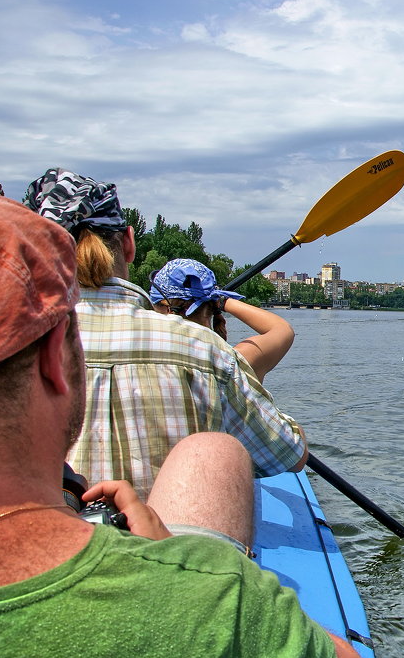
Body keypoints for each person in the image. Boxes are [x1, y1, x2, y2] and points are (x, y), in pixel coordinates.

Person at [0, 187, 371, 658]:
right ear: (57, 362)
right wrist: (193, 571)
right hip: (176, 587)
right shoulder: (214, 602)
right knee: (210, 454)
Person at [23, 168, 306, 500]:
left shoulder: (9, 347)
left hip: (59, 539)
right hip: (170, 542)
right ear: (129, 243)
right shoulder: (208, 351)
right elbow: (291, 454)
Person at [150, 258, 295, 381]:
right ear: (212, 307)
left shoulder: (142, 367)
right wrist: (222, 301)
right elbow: (283, 329)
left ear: (167, 309)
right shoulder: (232, 364)